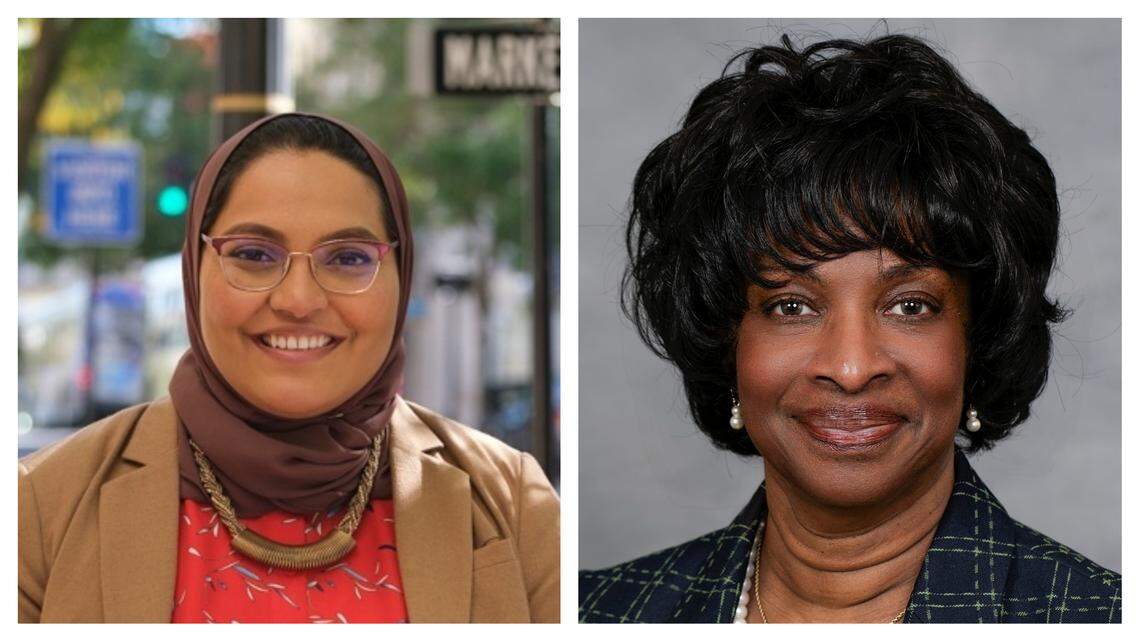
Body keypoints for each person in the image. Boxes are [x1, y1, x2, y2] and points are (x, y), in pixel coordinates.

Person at [578, 34, 1120, 623]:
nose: (852, 368)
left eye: (910, 306)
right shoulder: (601, 611)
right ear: (724, 339)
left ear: (978, 341)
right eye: (792, 307)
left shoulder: (1095, 616)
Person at [19, 113, 560, 623]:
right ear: (195, 270)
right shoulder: (41, 506)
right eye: (254, 255)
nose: (298, 300)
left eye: (348, 258)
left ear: (402, 275)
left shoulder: (509, 499)